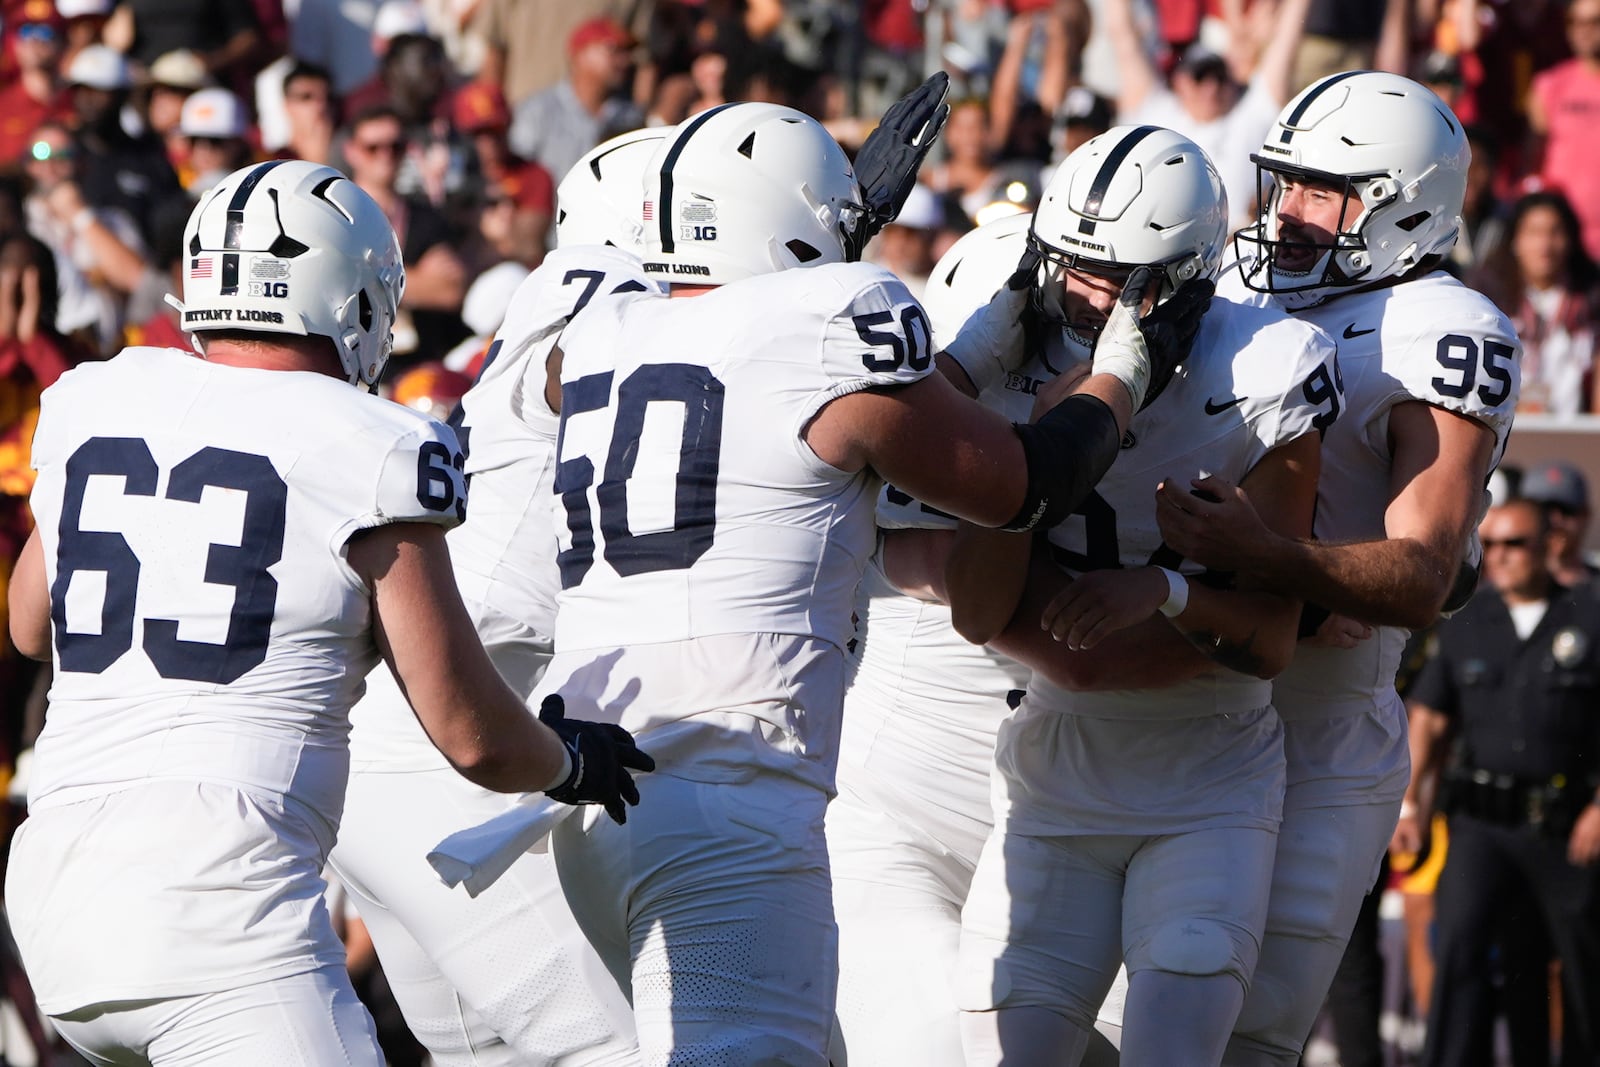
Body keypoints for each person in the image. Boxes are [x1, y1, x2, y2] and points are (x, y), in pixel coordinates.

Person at [525, 92, 1198, 1064]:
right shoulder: (833, 315)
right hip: (727, 786)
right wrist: (1121, 373)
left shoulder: (593, 337)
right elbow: (1023, 484)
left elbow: (736, 347)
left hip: (596, 788)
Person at [2, 159, 651, 1066]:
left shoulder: (96, 397)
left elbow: (32, 624)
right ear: (350, 296)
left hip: (53, 894)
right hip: (222, 911)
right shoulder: (375, 444)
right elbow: (469, 732)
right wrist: (572, 760)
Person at [830, 124, 1335, 1067]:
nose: (1083, 295)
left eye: (1119, 277)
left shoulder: (1265, 366)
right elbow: (984, 614)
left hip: (1209, 768)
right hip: (1052, 763)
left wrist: (1170, 591)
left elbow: (1271, 639)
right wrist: (1019, 432)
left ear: (1185, 277)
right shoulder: (1006, 351)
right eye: (1071, 265)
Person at [1154, 70, 1522, 1066]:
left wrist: (1270, 558)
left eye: (1325, 190)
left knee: (1253, 1029)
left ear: (1406, 202)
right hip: (1177, 688)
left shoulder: (1442, 328)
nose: (1291, 213)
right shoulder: (1233, 291)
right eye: (1286, 185)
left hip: (1321, 719)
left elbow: (1417, 574)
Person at [327, 129, 671, 1067]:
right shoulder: (606, 295)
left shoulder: (581, 291)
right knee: (638, 1049)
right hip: (439, 766)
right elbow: (580, 363)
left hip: (407, 757)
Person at [1394, 495, 1600, 1067]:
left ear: (1550, 546)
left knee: (1579, 964)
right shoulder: (1467, 624)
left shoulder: (1590, 615)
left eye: (1517, 544)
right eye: (1495, 545)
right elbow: (1430, 719)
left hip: (1564, 827)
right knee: (1457, 950)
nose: (1502, 556)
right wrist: (1409, 807)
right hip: (1479, 824)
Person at [1521, 458, 1600, 587]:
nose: (1555, 520)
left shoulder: (1596, 589)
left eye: (1566, 510)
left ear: (1585, 515)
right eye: (1544, 510)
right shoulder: (1493, 586)